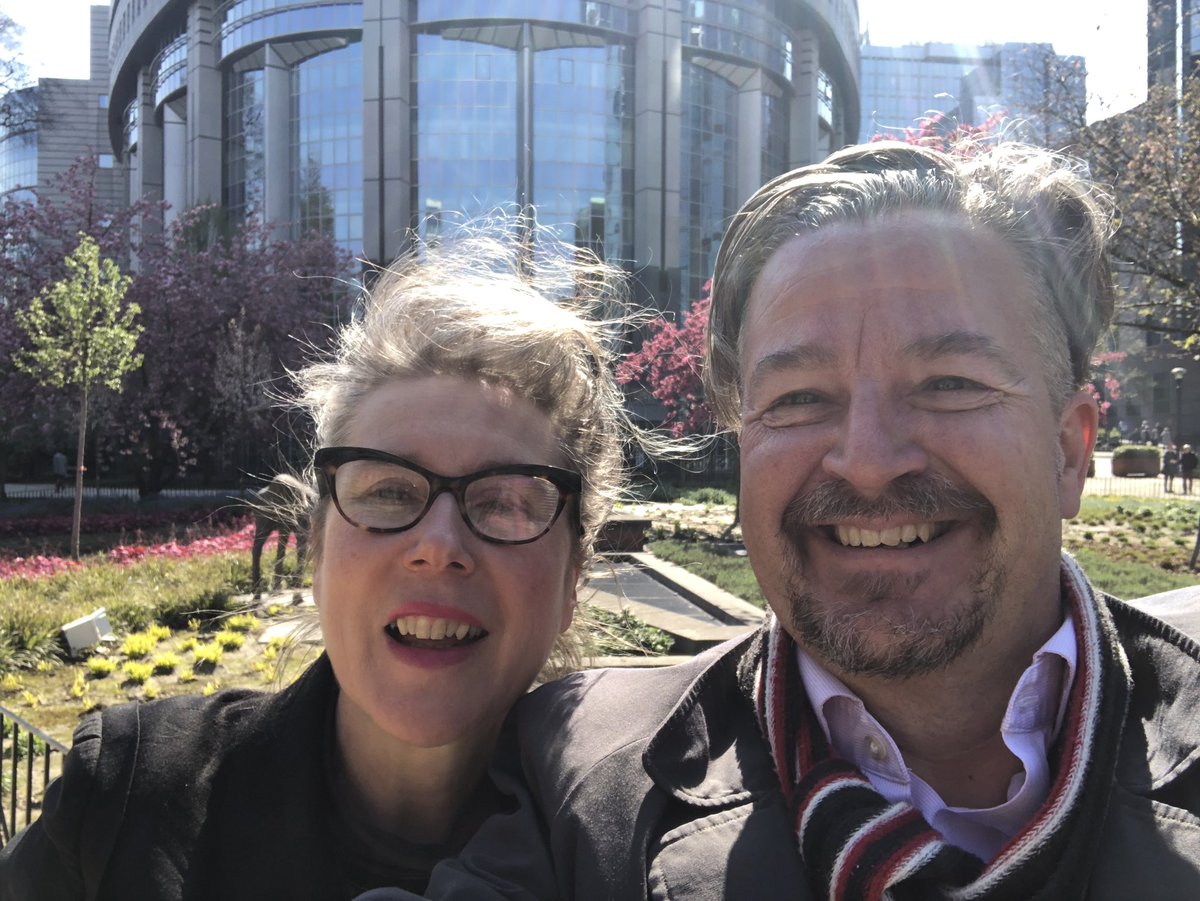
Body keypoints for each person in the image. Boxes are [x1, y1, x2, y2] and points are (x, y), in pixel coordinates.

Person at [404, 143, 1200, 900]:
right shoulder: (581, 782)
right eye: (798, 399)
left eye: (950, 382)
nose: (867, 459)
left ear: (1069, 452)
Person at [0, 229, 637, 899]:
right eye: (388, 490)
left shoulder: (633, 862)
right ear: (318, 545)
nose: (439, 544)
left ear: (574, 577)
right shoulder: (123, 802)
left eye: (507, 500)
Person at [250, 472, 312, 600]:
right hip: (273, 505)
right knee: (263, 547)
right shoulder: (265, 500)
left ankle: (291, 587)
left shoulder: (303, 501)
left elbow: (302, 543)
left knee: (292, 545)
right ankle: (260, 586)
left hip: (294, 506)